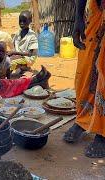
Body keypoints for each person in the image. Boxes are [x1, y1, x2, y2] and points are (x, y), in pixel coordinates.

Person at [63, 0, 105, 158]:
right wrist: (78, 17)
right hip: (97, 8)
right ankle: (83, 119)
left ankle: (103, 133)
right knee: (85, 68)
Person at [8, 10, 38, 75]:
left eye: (24, 21)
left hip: (28, 58)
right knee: (1, 59)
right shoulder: (17, 33)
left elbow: (30, 53)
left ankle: (7, 78)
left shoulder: (32, 36)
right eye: (20, 20)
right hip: (18, 56)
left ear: (30, 21)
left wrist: (15, 53)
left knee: (9, 63)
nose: (21, 23)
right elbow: (13, 47)